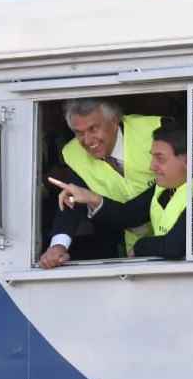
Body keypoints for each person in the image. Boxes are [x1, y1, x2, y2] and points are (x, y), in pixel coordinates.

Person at [50, 121, 193, 259]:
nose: (152, 166)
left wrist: (139, 247)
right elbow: (128, 215)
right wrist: (90, 198)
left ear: (187, 160)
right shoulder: (173, 181)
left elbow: (174, 246)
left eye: (160, 158)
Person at [39, 99, 163, 268]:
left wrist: (94, 199)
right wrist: (58, 246)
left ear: (114, 122)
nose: (87, 140)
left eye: (93, 129)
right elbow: (71, 199)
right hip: (138, 250)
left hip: (187, 240)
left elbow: (138, 210)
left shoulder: (156, 131)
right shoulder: (73, 153)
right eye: (79, 133)